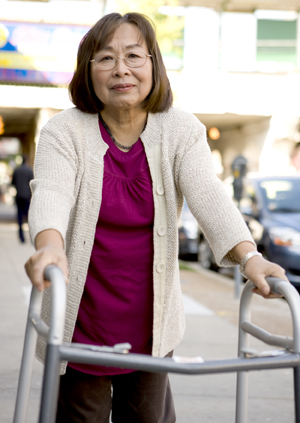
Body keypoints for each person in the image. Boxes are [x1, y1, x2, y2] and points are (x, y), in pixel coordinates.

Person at [25, 12, 287, 423]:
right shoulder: (64, 131)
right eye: (106, 58)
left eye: (133, 55)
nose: (121, 69)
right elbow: (52, 192)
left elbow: (208, 195)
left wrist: (250, 257)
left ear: (153, 65)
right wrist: (50, 247)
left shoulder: (180, 130)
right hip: (82, 321)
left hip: (151, 324)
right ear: (88, 70)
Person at [11, 154, 34, 243]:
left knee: (20, 218)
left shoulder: (16, 170)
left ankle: (21, 237)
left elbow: (13, 183)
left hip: (19, 196)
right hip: (27, 197)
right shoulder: (29, 171)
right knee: (29, 218)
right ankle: (32, 238)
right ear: (27, 161)